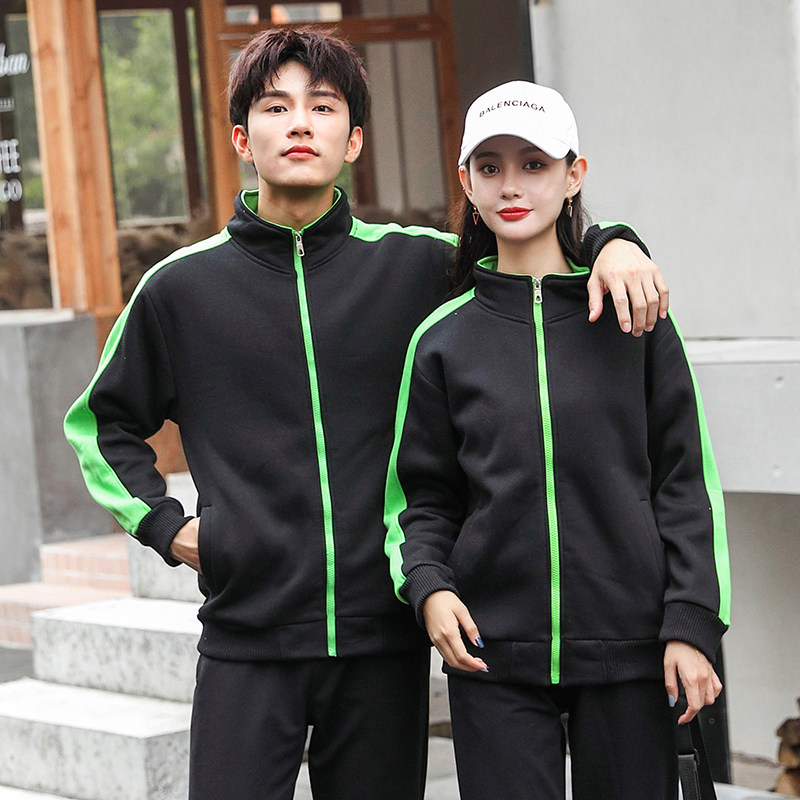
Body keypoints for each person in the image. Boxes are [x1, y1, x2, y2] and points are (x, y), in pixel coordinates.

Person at [65, 29, 668, 800]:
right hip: (248, 636)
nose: (300, 123)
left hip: (384, 643)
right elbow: (99, 424)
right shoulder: (181, 288)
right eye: (276, 107)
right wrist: (167, 525)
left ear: (353, 140)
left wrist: (613, 242)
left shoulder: (421, 264)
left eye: (323, 107)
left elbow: (529, 247)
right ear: (243, 140)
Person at [384, 80, 731, 800]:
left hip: (632, 649)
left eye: (534, 165)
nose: (511, 185)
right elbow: (423, 500)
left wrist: (692, 620)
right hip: (492, 656)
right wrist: (429, 587)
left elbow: (684, 481)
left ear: (575, 175)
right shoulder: (441, 340)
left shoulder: (636, 319)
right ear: (467, 183)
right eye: (490, 167)